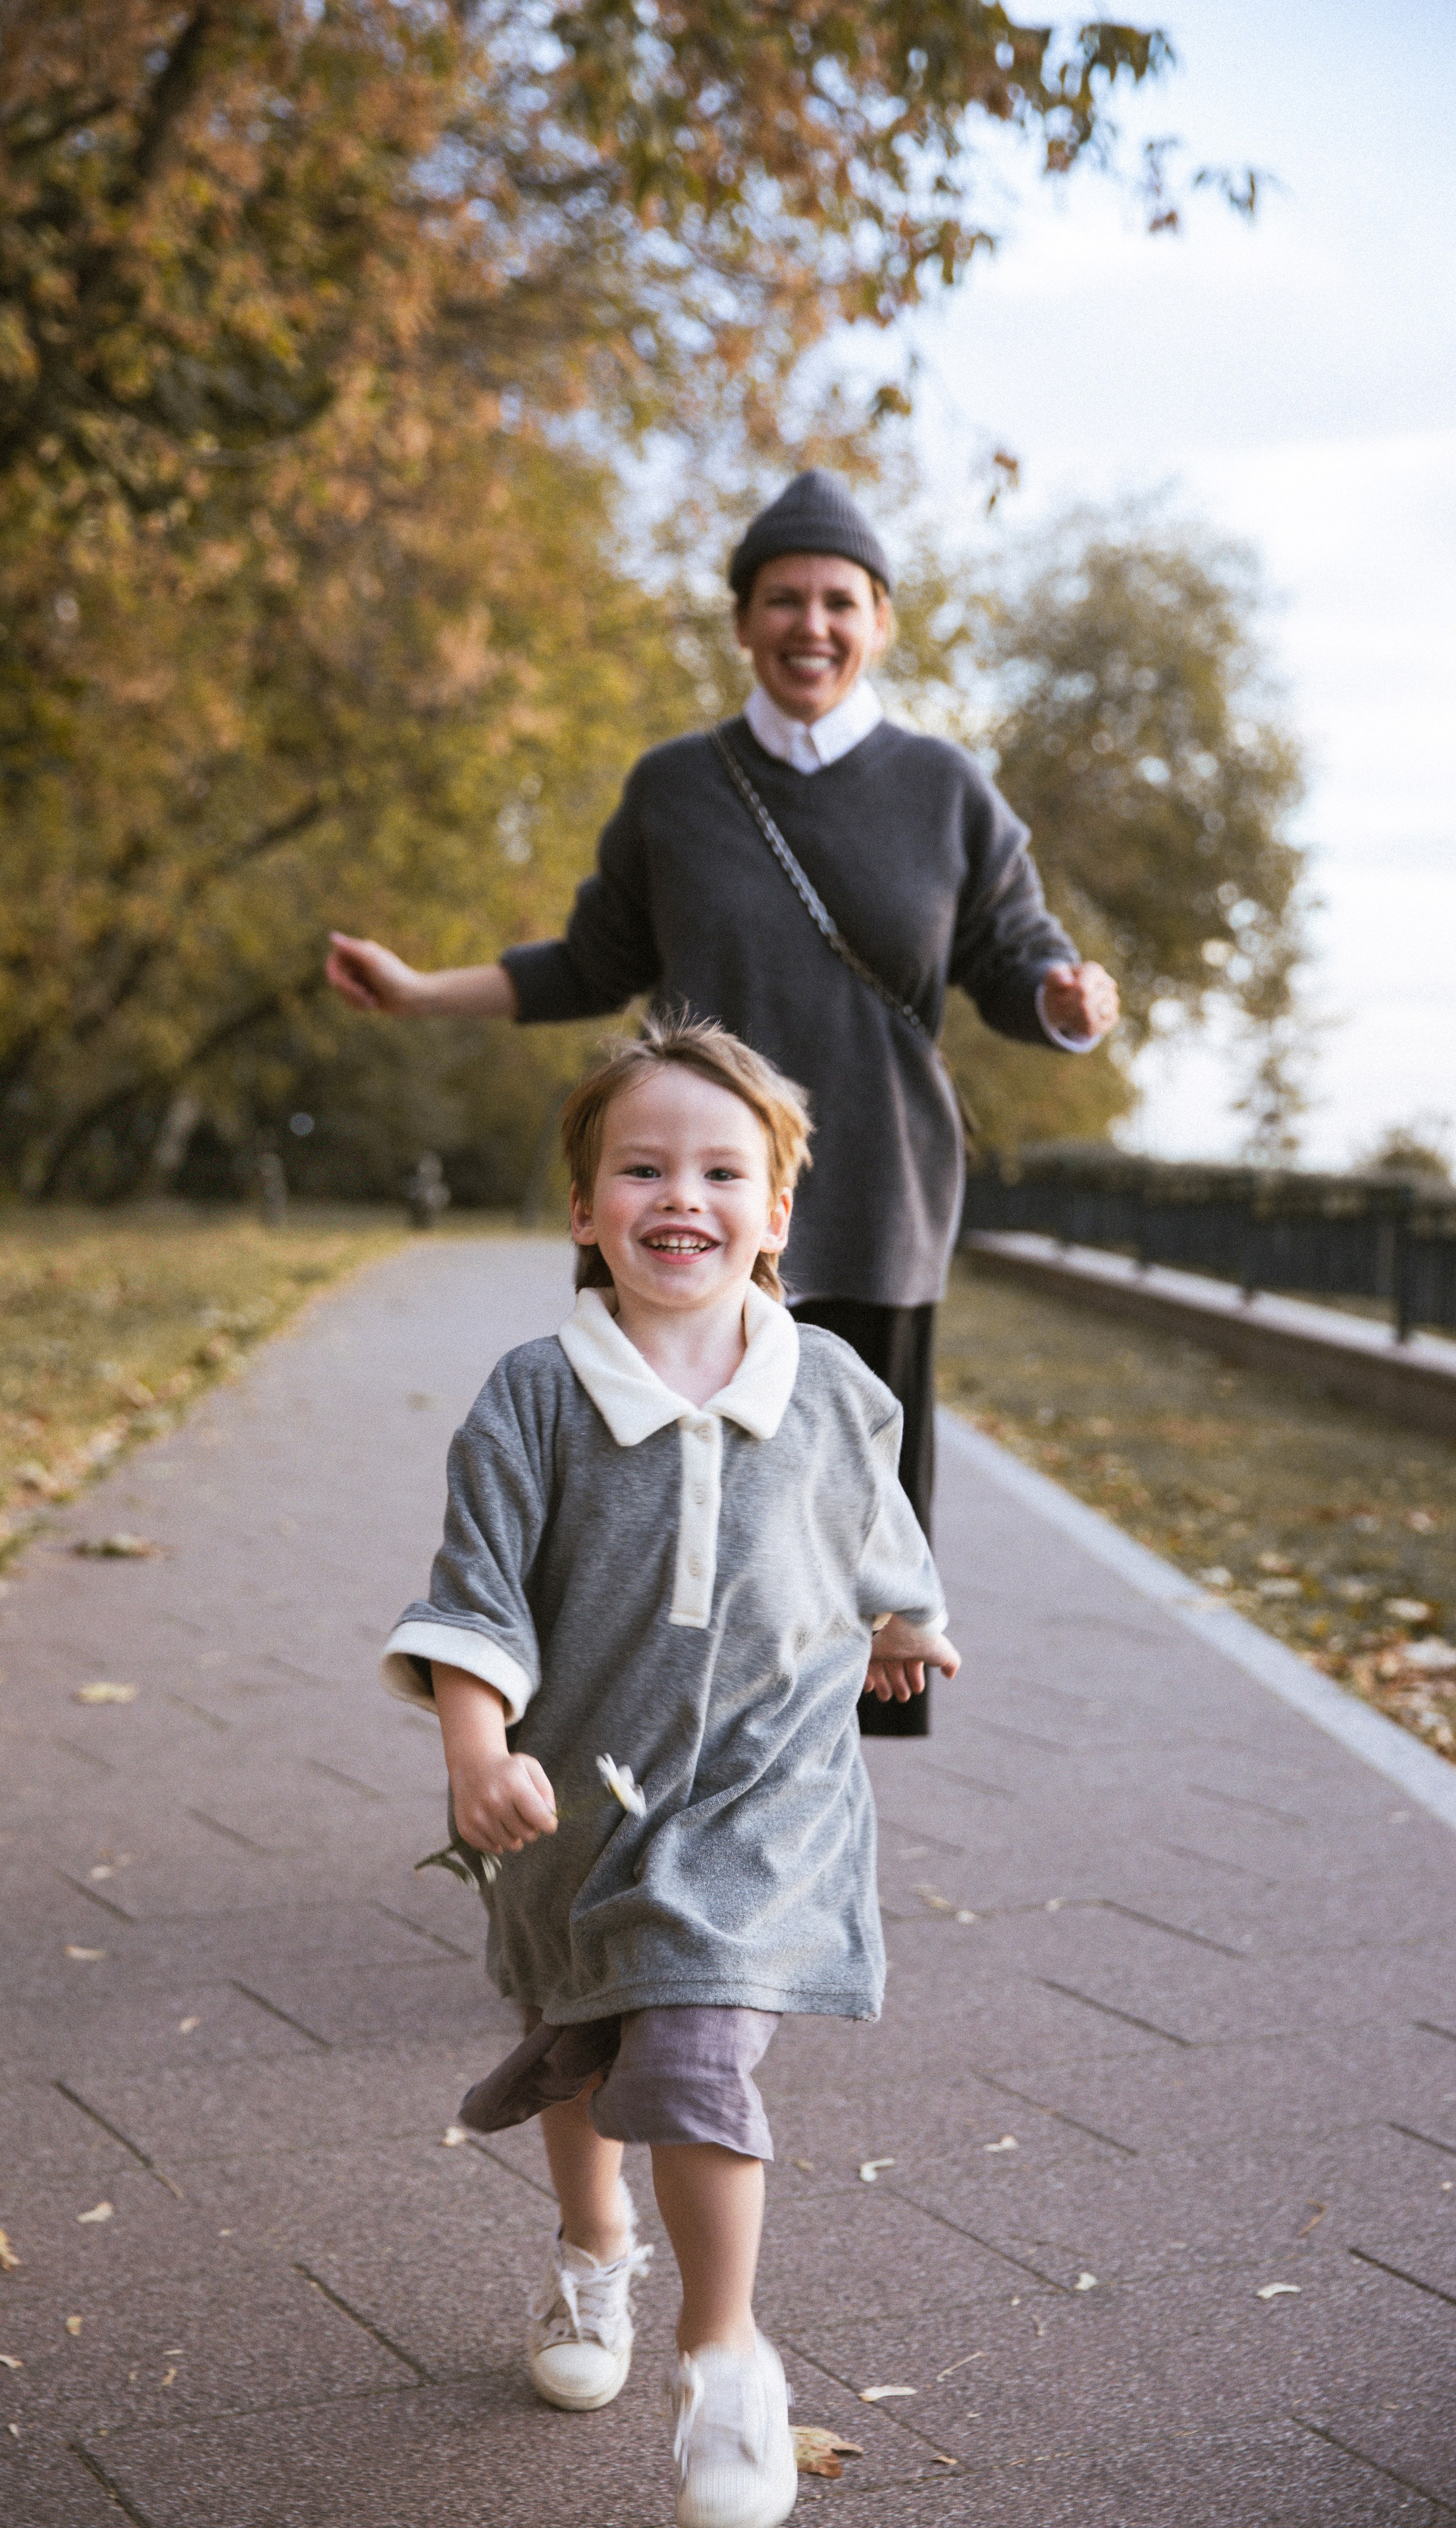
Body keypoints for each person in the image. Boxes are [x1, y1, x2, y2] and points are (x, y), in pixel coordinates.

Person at [332, 467, 1118, 1735]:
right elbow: (590, 963)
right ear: (744, 620)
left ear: (880, 622)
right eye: (784, 599)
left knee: (853, 1536)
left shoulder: (946, 790)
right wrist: (421, 993)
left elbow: (1020, 960)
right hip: (682, 1199)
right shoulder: (678, 787)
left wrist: (1067, 1002)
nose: (813, 624)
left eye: (840, 601)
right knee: (638, 1502)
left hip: (873, 1200)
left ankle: (812, 1809)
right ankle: (618, 1765)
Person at [380, 1019, 958, 2528]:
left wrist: (901, 1622)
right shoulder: (533, 1395)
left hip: (768, 1798)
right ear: (584, 1209)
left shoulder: (833, 1384)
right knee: (582, 2040)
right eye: (641, 1169)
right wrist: (473, 1748)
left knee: (692, 2048)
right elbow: (474, 1595)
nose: (680, 1196)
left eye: (720, 1172)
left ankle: (724, 2358)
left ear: (775, 1213)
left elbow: (872, 1527)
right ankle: (593, 2253)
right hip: (578, 1800)